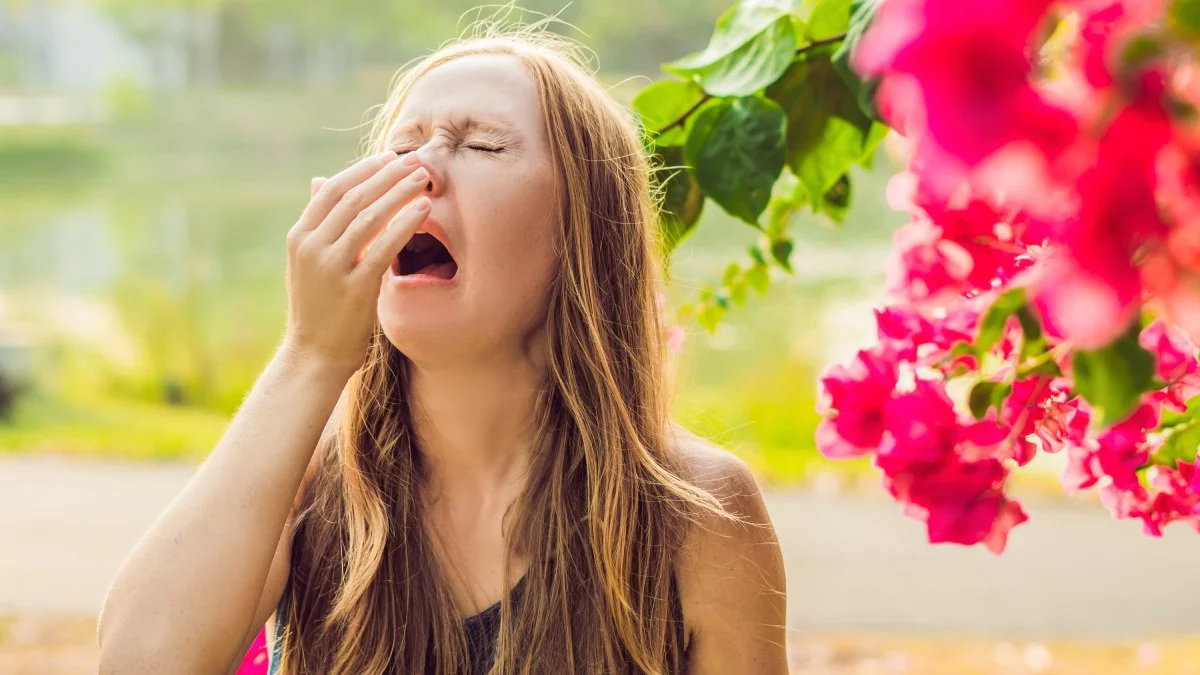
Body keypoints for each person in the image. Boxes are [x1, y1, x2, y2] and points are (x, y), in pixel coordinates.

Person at [96, 24, 787, 675]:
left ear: (586, 232)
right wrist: (311, 357)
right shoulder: (308, 482)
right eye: (399, 149)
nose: (417, 173)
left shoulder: (696, 513)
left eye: (482, 145)